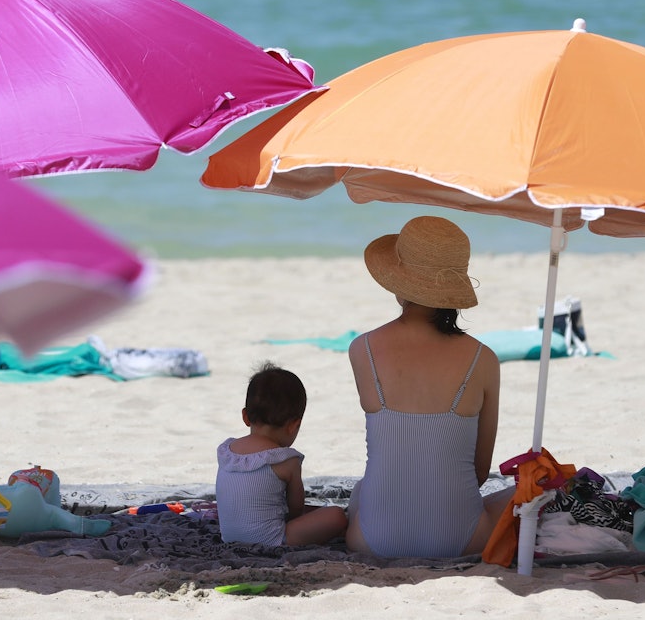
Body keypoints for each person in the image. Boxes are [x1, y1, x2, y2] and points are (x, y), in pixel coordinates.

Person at [346, 216, 509, 558]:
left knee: (362, 490)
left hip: (373, 541)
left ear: (397, 282)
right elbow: (479, 472)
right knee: (525, 494)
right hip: (463, 539)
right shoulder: (484, 359)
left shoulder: (362, 350)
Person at [215, 363, 348, 546]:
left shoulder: (227, 451)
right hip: (272, 540)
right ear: (294, 425)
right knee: (336, 516)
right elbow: (295, 511)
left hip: (229, 537)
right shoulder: (286, 459)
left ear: (245, 416)